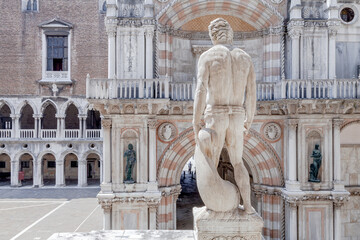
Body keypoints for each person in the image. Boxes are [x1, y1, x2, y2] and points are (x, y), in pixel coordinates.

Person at [193, 18, 256, 214]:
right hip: (238, 115)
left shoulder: (208, 56)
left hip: (216, 113)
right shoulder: (245, 58)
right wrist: (250, 119)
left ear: (213, 36)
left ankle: (212, 204)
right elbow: (252, 93)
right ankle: (248, 206)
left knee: (210, 159)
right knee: (238, 163)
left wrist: (196, 120)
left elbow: (201, 90)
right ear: (231, 34)